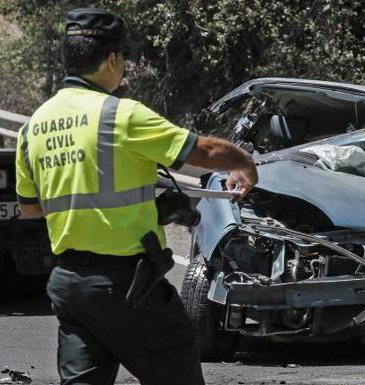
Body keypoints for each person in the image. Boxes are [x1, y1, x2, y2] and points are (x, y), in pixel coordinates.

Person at [14, 8, 258, 385]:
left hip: (70, 284)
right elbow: (205, 152)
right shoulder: (119, 115)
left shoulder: (33, 127)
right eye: (124, 57)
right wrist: (243, 162)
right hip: (128, 286)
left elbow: (30, 209)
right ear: (111, 58)